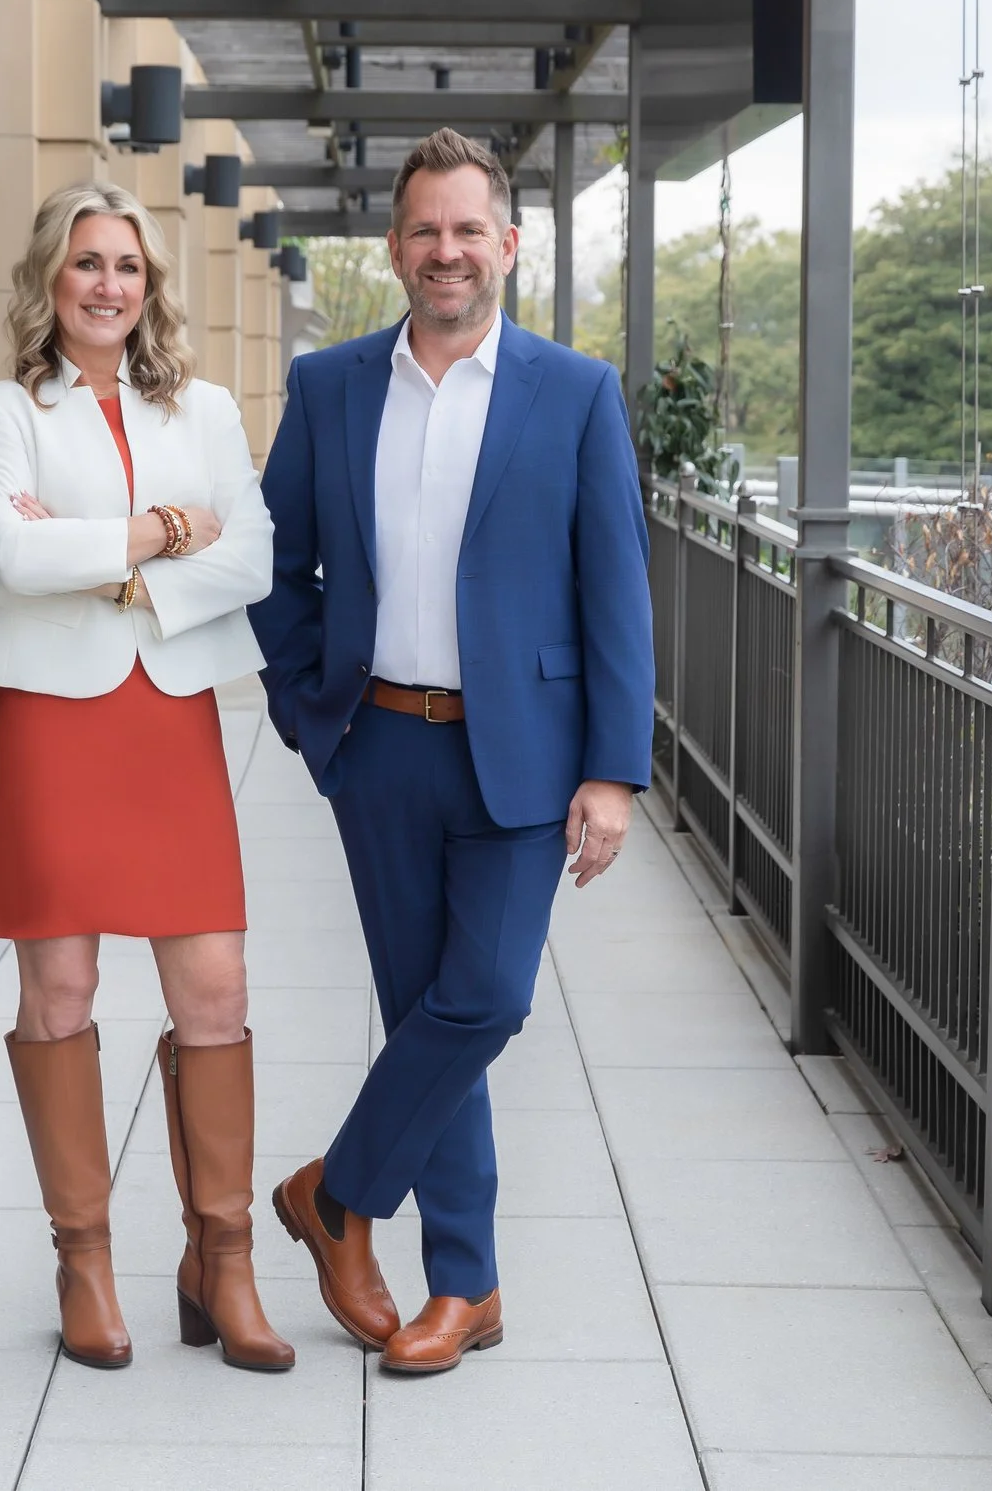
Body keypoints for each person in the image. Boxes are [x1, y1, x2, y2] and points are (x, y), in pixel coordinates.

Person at [251, 129, 655, 1374]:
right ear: (393, 247)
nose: (445, 250)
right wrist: (311, 716)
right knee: (430, 1010)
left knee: (483, 997)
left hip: (524, 756)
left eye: (467, 229)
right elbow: (279, 568)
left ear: (508, 245)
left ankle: (336, 1191)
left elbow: (617, 589)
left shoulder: (574, 392)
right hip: (379, 746)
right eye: (424, 229)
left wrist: (614, 768)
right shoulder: (328, 388)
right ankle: (465, 1286)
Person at [0, 182, 292, 1374]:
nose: (110, 286)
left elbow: (251, 551)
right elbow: (11, 550)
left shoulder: (202, 409)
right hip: (48, 726)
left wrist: (100, 557)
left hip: (169, 723)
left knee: (214, 983)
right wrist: (162, 532)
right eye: (87, 264)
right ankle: (84, 1256)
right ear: (49, 279)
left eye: (129, 268)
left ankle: (223, 1256)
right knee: (59, 988)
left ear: (150, 287)